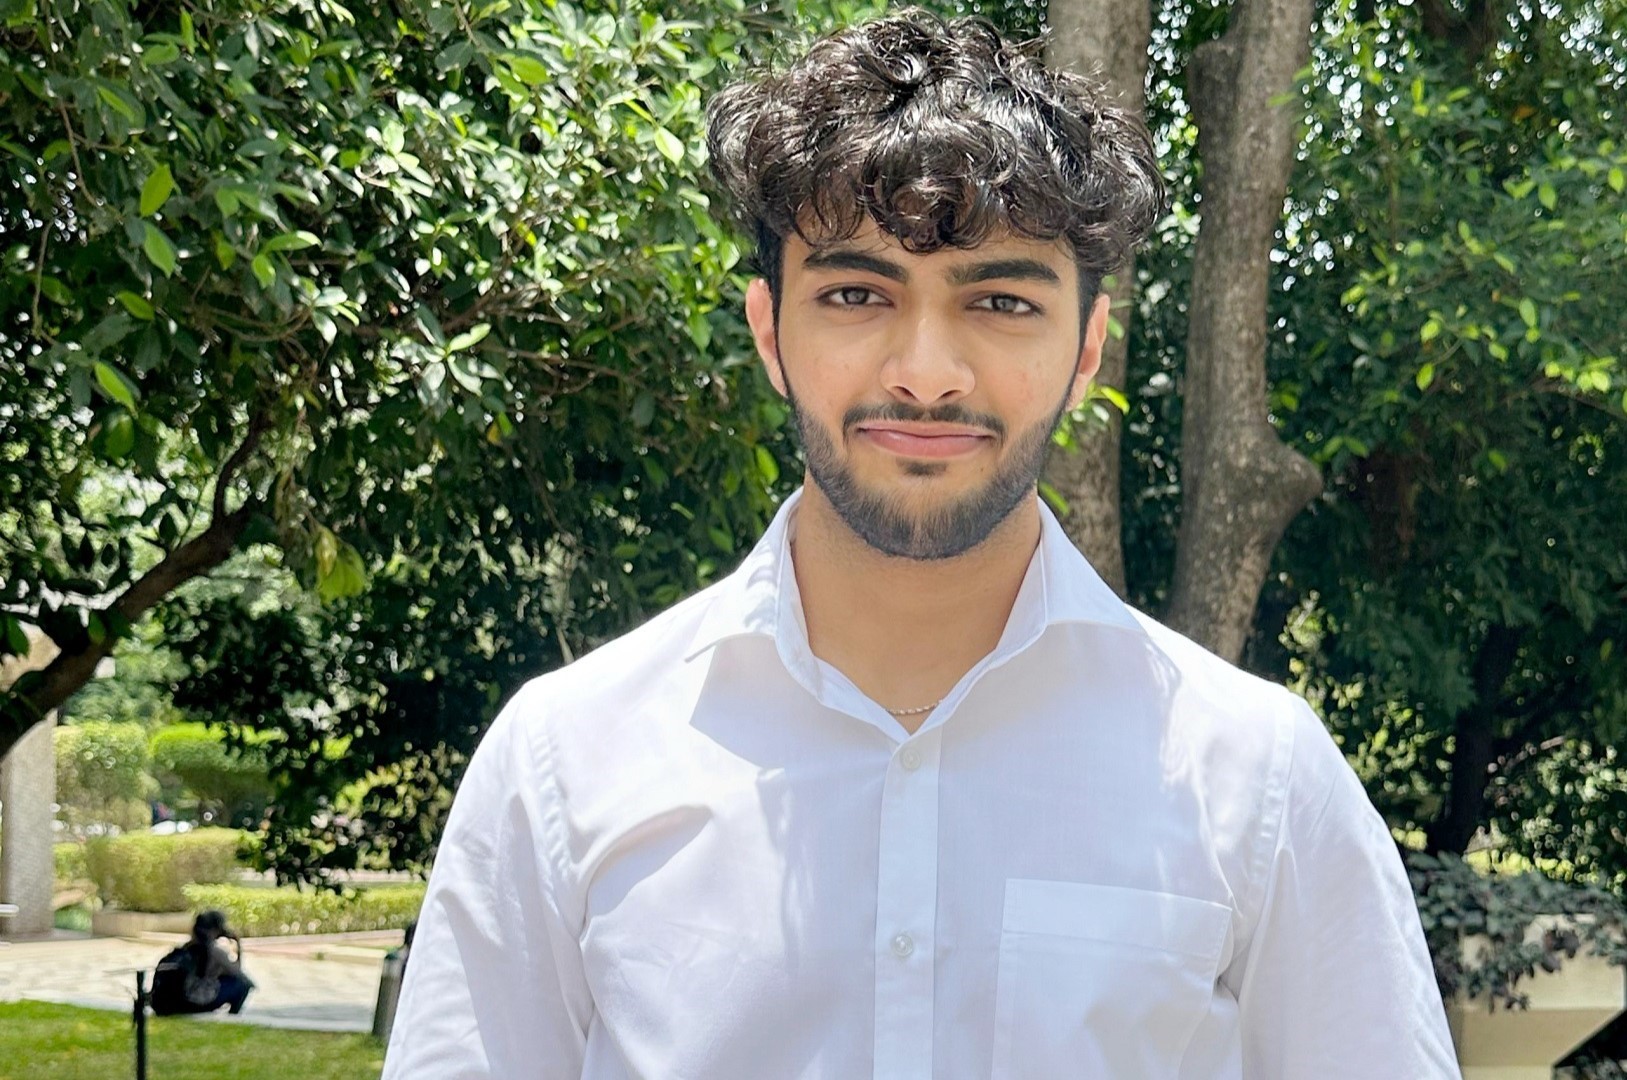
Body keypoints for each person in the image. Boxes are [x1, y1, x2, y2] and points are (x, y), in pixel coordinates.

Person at [384, 10, 1460, 1078]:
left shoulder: (1258, 781)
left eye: (1000, 301)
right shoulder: (563, 764)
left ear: (1087, 348)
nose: (927, 374)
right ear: (769, 332)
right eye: (856, 293)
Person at [152, 910, 255, 1016]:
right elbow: (239, 975)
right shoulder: (214, 951)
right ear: (215, 930)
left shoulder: (184, 949)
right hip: (192, 1003)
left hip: (170, 1003)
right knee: (242, 984)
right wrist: (237, 945)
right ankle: (233, 1016)